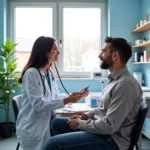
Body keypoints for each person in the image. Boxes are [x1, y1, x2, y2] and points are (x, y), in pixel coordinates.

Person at [42, 37, 143, 150]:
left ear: (115, 55)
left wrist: (80, 123)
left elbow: (109, 126)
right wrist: (84, 116)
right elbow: (101, 110)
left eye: (104, 51)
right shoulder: (114, 80)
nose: (99, 55)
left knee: (52, 144)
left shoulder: (125, 85)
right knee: (56, 123)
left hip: (112, 140)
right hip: (103, 131)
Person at [16, 36, 88, 150]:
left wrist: (73, 97)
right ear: (44, 52)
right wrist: (67, 100)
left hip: (47, 124)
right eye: (55, 48)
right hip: (33, 127)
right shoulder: (31, 74)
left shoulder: (49, 73)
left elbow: (55, 96)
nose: (58, 52)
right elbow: (39, 104)